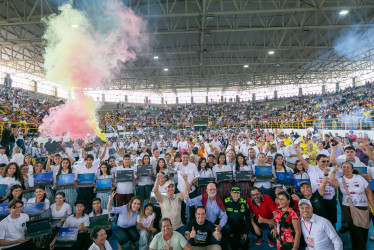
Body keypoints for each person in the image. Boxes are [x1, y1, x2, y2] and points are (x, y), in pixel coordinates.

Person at [329, 162, 374, 250]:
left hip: (364, 206)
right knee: (354, 229)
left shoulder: (360, 178)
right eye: (344, 167)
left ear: (352, 169)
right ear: (341, 169)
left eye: (348, 167)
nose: (346, 168)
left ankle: (361, 245)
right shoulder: (340, 179)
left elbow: (369, 191)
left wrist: (373, 205)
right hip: (348, 207)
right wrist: (333, 172)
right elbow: (332, 182)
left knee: (364, 227)